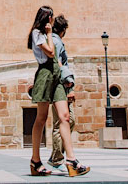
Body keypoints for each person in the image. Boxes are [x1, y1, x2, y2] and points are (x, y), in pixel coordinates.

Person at [27, 6, 89, 177]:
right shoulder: (36, 34)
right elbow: (51, 53)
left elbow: (59, 61)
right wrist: (48, 33)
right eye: (50, 17)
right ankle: (35, 161)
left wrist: (67, 80)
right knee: (41, 118)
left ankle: (71, 160)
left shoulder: (49, 35)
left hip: (57, 77)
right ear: (46, 18)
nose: (52, 21)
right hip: (45, 74)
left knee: (65, 117)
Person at [48, 15, 76, 170]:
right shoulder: (56, 41)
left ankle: (59, 156)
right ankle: (59, 157)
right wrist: (68, 85)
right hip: (60, 85)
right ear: (63, 30)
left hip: (58, 84)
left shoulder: (52, 40)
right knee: (65, 120)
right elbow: (58, 63)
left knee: (66, 120)